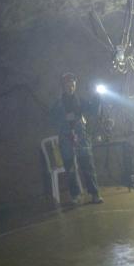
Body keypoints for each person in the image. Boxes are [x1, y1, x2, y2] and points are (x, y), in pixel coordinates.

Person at [50, 73, 103, 204]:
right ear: (63, 86)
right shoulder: (58, 104)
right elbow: (52, 119)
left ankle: (95, 194)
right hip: (66, 138)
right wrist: (64, 119)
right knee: (70, 169)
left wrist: (97, 97)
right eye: (68, 84)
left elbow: (92, 111)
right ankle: (75, 196)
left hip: (81, 137)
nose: (70, 87)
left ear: (75, 85)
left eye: (72, 84)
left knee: (87, 165)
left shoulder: (81, 100)